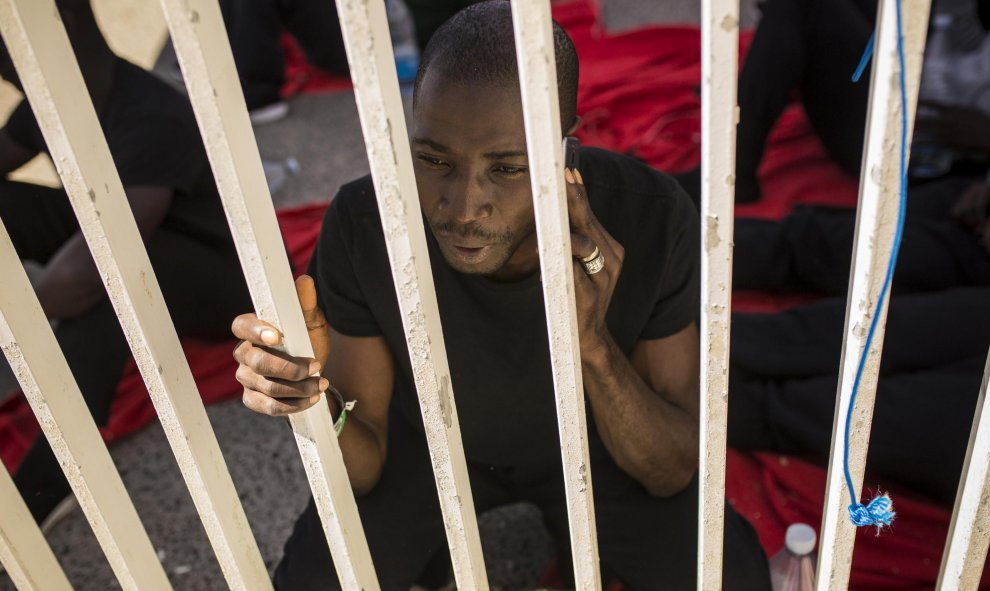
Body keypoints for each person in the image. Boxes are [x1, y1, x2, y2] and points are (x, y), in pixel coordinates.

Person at [231, 2, 771, 589]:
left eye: (508, 169)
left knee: (726, 575)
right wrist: (313, 399)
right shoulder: (367, 224)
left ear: (566, 148)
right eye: (434, 159)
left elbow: (668, 471)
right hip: (429, 449)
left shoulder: (650, 216)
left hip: (598, 446)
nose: (463, 207)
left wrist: (590, 343)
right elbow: (366, 466)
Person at [0, 0, 251, 527]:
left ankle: (48, 486)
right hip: (126, 239)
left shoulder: (150, 115)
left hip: (210, 277)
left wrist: (16, 315)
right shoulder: (49, 102)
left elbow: (82, 280)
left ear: (59, 25)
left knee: (114, 280)